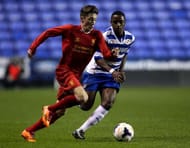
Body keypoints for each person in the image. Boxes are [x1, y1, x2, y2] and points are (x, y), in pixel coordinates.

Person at [21, 5, 123, 142]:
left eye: (95, 20)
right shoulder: (70, 30)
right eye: (90, 19)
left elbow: (106, 54)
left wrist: (114, 55)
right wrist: (33, 48)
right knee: (83, 97)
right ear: (82, 18)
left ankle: (29, 131)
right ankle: (48, 108)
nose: (93, 22)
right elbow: (48, 32)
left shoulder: (97, 35)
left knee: (60, 112)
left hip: (76, 76)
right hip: (64, 71)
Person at [72, 10, 135, 139]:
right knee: (86, 105)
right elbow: (98, 58)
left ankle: (81, 131)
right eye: (115, 22)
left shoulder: (130, 38)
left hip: (112, 75)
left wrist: (121, 71)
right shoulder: (104, 36)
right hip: (96, 72)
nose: (118, 24)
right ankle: (73, 95)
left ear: (125, 23)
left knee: (108, 103)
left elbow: (124, 55)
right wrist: (113, 71)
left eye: (120, 22)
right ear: (110, 23)